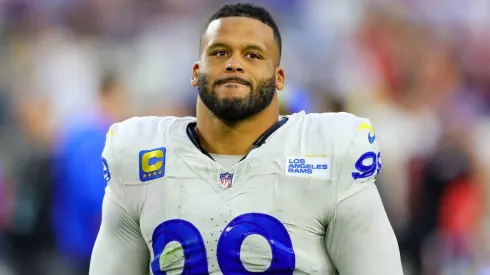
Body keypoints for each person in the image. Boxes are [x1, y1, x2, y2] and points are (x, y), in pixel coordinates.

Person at [89, 3, 404, 275]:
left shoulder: (331, 154)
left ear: (279, 78)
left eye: (253, 55)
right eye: (220, 52)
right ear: (196, 71)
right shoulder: (138, 158)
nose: (234, 62)